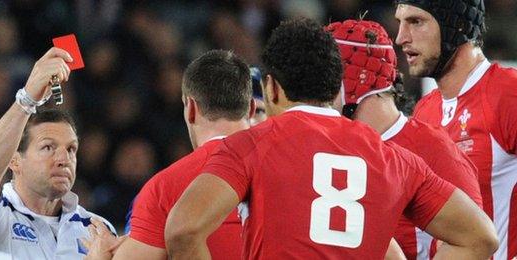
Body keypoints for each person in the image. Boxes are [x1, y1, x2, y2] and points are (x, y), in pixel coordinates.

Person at [163, 18, 498, 259]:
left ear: (272, 88)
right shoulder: (394, 158)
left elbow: (183, 230)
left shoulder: (248, 146)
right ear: (339, 90)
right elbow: (480, 237)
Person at [326, 19, 483, 259]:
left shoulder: (434, 149)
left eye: (322, 82)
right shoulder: (328, 146)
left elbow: (478, 243)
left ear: (354, 81)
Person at [82, 50, 254, 260]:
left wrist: (98, 256)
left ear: (190, 108)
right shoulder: (294, 175)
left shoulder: (164, 189)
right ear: (251, 109)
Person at [0, 47, 116, 259]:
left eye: (71, 149)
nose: (64, 159)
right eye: (48, 147)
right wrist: (26, 100)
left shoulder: (98, 230)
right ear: (14, 160)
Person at [394, 1, 517, 259]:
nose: (401, 38)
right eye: (400, 23)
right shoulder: (424, 112)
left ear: (457, 24)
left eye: (416, 22)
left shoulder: (507, 95)